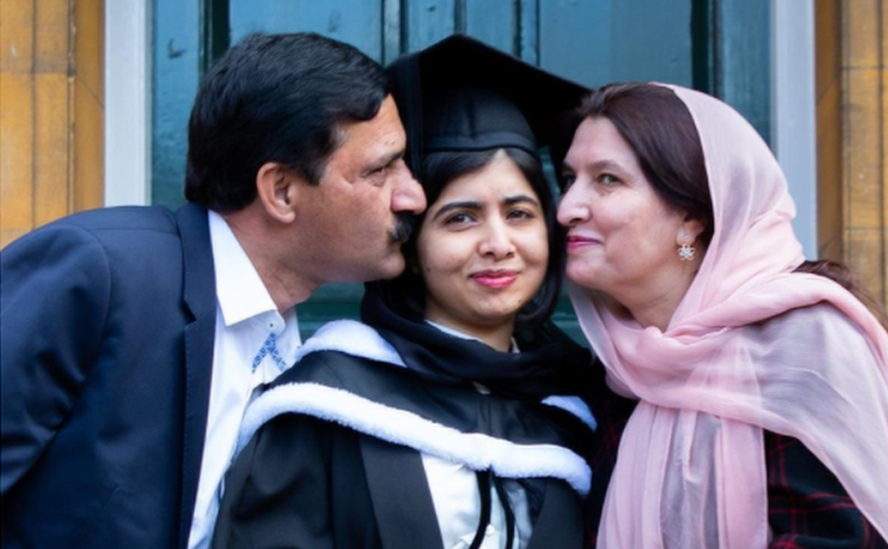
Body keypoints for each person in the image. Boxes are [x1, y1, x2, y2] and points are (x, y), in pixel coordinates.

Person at [0, 32, 425, 549]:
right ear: (282, 191)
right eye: (381, 169)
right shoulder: (99, 272)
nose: (413, 196)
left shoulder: (306, 361)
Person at [210, 34, 601, 549]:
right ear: (413, 245)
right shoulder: (326, 403)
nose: (498, 244)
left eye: (519, 213)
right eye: (460, 218)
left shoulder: (581, 404)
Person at [557, 82, 888, 548]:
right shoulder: (617, 374)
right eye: (570, 180)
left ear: (691, 215)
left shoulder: (803, 346)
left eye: (607, 179)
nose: (568, 208)